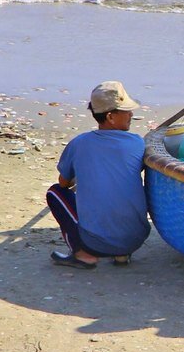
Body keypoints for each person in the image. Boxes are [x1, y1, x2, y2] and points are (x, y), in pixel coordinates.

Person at [45, 81, 150, 269]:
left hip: (97, 244)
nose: (131, 115)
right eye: (126, 111)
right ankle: (121, 255)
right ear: (110, 116)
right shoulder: (137, 143)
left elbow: (63, 183)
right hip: (136, 238)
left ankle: (83, 254)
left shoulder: (79, 144)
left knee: (55, 193)